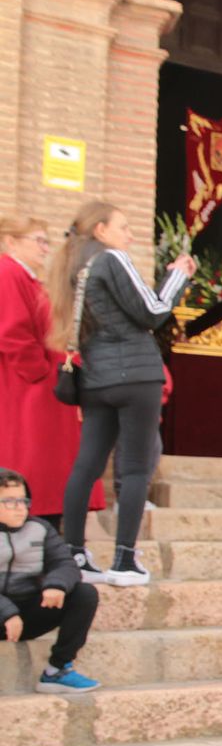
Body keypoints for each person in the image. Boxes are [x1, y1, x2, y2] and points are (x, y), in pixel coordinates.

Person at [52, 201, 194, 586]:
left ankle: (75, 554)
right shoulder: (113, 258)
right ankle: (124, 561)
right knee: (134, 468)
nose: (130, 236)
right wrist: (178, 276)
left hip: (96, 378)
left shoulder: (76, 268)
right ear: (100, 230)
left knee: (87, 465)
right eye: (124, 227)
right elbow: (153, 310)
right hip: (136, 376)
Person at [0, 217, 106, 529]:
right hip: (30, 386)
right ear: (11, 241)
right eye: (38, 240)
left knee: (52, 460)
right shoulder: (8, 272)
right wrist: (40, 373)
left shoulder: (26, 277)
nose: (45, 248)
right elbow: (11, 331)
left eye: (47, 241)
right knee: (35, 457)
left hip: (42, 382)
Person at [0, 468, 101, 691]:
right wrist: (7, 612)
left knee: (84, 594)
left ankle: (57, 670)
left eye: (23, 500)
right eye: (9, 501)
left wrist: (55, 585)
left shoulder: (40, 528)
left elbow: (66, 564)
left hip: (27, 614)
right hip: (4, 614)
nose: (20, 508)